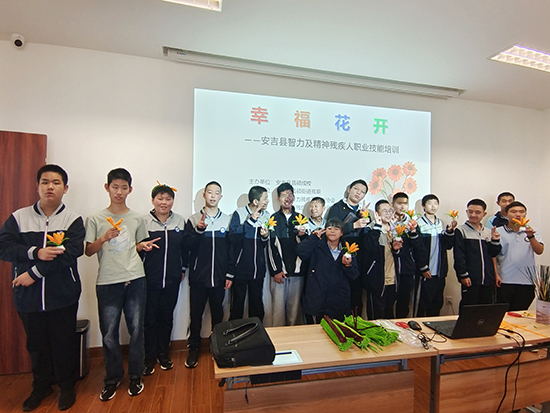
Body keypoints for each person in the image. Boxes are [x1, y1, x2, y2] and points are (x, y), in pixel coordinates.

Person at [0, 164, 85, 412]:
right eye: (45, 182)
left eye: (56, 183)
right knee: (36, 345)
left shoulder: (73, 219)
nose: (50, 187)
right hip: (28, 296)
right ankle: (41, 386)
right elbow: (4, 247)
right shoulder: (19, 217)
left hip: (63, 294)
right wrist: (35, 252)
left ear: (65, 188)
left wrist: (33, 273)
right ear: (37, 186)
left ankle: (66, 386)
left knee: (64, 342)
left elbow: (70, 254)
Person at [85, 168, 159, 401]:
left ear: (130, 190)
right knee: (109, 333)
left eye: (123, 187)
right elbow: (88, 251)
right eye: (115, 187)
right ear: (107, 188)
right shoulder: (95, 218)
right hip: (108, 281)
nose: (119, 192)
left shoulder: (137, 218)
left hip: (135, 278)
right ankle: (112, 377)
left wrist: (142, 246)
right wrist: (103, 238)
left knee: (137, 330)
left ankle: (136, 375)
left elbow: (135, 246)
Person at [184, 181, 232, 368]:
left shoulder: (227, 220)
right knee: (196, 315)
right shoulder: (193, 219)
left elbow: (231, 250)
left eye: (216, 193)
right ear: (204, 195)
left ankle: (217, 348)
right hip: (198, 278)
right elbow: (187, 246)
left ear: (221, 197)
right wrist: (198, 230)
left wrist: (229, 274)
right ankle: (193, 348)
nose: (213, 196)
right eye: (210, 192)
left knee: (218, 314)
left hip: (219, 278)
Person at [142, 183, 187, 376]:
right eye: (160, 198)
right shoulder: (143, 221)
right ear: (153, 200)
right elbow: (136, 251)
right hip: (149, 279)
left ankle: (163, 354)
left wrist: (182, 269)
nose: (164, 202)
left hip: (172, 279)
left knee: (166, 317)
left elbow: (184, 249)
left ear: (172, 201)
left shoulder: (180, 221)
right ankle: (149, 357)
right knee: (149, 319)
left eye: (168, 199)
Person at [228, 186, 279, 321]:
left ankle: (256, 332)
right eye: (265, 198)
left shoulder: (266, 215)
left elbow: (264, 244)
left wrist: (265, 236)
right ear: (255, 201)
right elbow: (233, 237)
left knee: (257, 306)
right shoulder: (239, 213)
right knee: (237, 305)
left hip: (258, 270)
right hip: (240, 269)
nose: (267, 201)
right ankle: (235, 333)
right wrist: (250, 221)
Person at [298, 218, 359, 322]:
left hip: (339, 299)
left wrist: (347, 265)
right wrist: (314, 237)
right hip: (318, 298)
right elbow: (300, 251)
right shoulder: (316, 245)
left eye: (336, 229)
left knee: (338, 329)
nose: (332, 231)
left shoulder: (348, 249)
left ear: (341, 233)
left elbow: (354, 275)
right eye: (329, 228)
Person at [327, 179, 370, 315]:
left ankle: (356, 323)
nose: (358, 193)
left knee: (357, 296)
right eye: (356, 189)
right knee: (341, 295)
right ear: (349, 189)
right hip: (340, 257)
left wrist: (366, 219)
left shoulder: (363, 212)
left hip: (359, 259)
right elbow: (331, 230)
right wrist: (353, 225)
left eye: (362, 192)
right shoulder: (337, 208)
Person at [452, 199, 501, 308]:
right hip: (471, 278)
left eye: (478, 212)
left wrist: (495, 241)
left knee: (486, 308)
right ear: (466, 212)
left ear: (484, 214)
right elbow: (459, 255)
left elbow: (493, 254)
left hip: (488, 279)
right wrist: (463, 274)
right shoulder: (461, 230)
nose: (473, 215)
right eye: (470, 212)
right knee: (469, 307)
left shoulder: (488, 232)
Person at [269, 183, 306, 326]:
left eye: (290, 195)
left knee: (295, 311)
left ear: (294, 197)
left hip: (297, 272)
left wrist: (303, 236)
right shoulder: (273, 219)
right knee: (278, 311)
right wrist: (276, 271)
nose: (287, 198)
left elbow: (306, 246)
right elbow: (271, 247)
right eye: (284, 195)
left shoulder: (301, 218)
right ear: (278, 198)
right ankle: (278, 339)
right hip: (280, 273)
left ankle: (294, 338)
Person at [496, 201, 544, 310]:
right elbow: (493, 256)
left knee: (520, 313)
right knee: (502, 313)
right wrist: (495, 275)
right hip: (505, 280)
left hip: (527, 281)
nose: (518, 214)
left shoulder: (533, 231)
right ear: (506, 214)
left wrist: (531, 236)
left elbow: (539, 251)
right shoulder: (498, 231)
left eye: (521, 212)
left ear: (525, 214)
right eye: (513, 212)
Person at [414, 194, 455, 317]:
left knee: (437, 303)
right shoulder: (418, 224)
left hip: (440, 271)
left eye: (436, 203)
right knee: (422, 303)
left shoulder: (442, 223)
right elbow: (416, 248)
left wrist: (449, 232)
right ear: (423, 206)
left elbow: (448, 246)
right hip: (426, 271)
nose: (433, 206)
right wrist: (423, 267)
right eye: (430, 203)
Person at [362, 200, 402, 319]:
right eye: (384, 211)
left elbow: (400, 254)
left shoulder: (395, 229)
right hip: (377, 280)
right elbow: (369, 248)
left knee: (390, 313)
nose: (388, 213)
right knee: (377, 315)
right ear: (377, 213)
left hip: (392, 278)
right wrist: (378, 227)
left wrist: (395, 250)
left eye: (390, 211)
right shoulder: (370, 229)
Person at [391, 192, 428, 318]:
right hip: (390, 269)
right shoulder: (387, 221)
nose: (402, 206)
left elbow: (419, 246)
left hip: (407, 269)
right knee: (388, 302)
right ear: (392, 204)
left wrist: (413, 232)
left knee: (404, 301)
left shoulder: (411, 223)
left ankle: (402, 325)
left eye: (405, 203)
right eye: (399, 203)